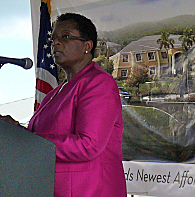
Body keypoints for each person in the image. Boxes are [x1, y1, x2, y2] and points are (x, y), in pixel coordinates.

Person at [1, 13, 127, 196]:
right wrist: (17, 131)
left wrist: (28, 141)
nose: (56, 43)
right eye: (54, 39)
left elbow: (88, 145)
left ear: (87, 46)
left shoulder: (98, 83)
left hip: (89, 190)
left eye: (65, 37)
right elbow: (44, 136)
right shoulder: (56, 92)